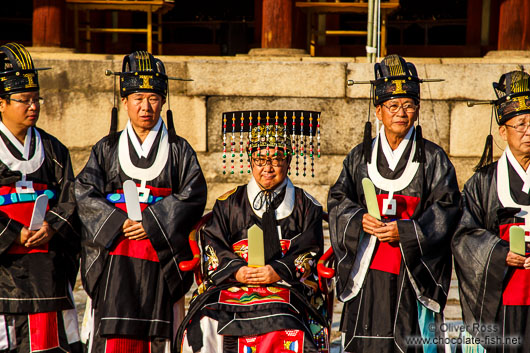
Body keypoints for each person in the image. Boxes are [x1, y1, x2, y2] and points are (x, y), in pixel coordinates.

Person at [75, 51, 207, 353]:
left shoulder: (179, 150)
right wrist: (119, 222)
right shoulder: (106, 149)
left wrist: (151, 222)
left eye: (153, 98)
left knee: (157, 335)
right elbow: (83, 191)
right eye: (137, 98)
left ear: (163, 101)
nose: (145, 107)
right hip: (115, 254)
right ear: (124, 102)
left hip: (159, 253)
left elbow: (194, 193)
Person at [327, 54, 461, 352]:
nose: (402, 112)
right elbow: (337, 199)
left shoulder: (433, 158)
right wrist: (357, 218)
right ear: (378, 110)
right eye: (393, 106)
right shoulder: (359, 157)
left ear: (418, 109)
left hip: (412, 267)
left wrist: (408, 231)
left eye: (409, 105)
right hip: (367, 263)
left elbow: (449, 206)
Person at [177, 110, 329, 353]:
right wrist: (237, 271)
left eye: (276, 159)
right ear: (250, 161)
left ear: (288, 161)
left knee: (284, 321)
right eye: (260, 159)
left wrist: (276, 271)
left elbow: (310, 249)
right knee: (205, 321)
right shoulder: (228, 203)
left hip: (286, 285)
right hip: (231, 284)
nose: (267, 168)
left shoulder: (306, 205)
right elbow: (213, 244)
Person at [0, 43, 81, 352]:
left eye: (37, 100)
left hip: (46, 266)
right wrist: (12, 233)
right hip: (4, 268)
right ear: (2, 103)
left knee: (51, 343)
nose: (33, 106)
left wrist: (51, 227)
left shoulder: (55, 150)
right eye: (24, 100)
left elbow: (70, 198)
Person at [452, 69, 530, 353]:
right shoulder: (482, 182)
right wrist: (499, 253)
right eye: (520, 124)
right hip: (501, 293)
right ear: (502, 130)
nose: (528, 132)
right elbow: (463, 236)